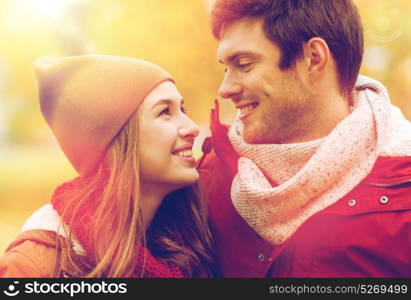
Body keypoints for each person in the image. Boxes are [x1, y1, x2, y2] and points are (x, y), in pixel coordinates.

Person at [198, 0, 411, 277]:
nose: (225, 89)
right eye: (226, 68)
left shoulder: (403, 192)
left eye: (244, 64)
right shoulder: (208, 178)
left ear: (313, 58)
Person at [0, 55, 215, 278]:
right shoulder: (34, 268)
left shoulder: (191, 235)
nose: (191, 127)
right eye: (164, 112)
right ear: (115, 142)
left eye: (183, 109)